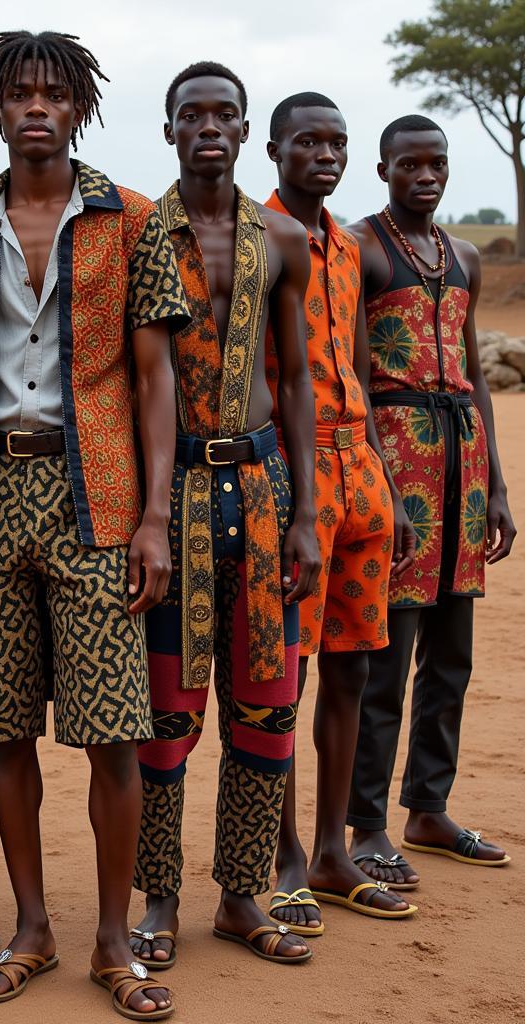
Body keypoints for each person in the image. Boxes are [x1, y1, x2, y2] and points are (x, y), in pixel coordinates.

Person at [0, 29, 188, 1021]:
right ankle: (32, 927)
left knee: (112, 735)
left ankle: (114, 941)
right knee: (4, 734)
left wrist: (154, 517)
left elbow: (154, 379)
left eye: (54, 94)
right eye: (19, 93)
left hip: (100, 503)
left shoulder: (134, 220)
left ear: (79, 108)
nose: (36, 107)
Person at [129, 62, 320, 970]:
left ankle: (242, 894)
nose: (210, 127)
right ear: (169, 131)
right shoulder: (135, 236)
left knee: (267, 702)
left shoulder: (283, 238)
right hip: (168, 499)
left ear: (246, 132)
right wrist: (143, 516)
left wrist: (308, 516)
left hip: (261, 486)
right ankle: (159, 898)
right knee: (167, 706)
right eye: (191, 115)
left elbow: (294, 383)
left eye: (225, 115)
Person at [346, 115, 515, 883]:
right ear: (383, 170)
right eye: (409, 163)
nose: (426, 174)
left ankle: (429, 808)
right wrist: (381, 482)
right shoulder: (362, 249)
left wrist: (500, 488)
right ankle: (367, 824)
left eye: (436, 162)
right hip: (397, 462)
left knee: (452, 656)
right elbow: (351, 374)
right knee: (389, 656)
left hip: (464, 468)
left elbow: (477, 376)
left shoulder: (466, 256)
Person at [262, 93, 417, 932]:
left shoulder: (351, 248)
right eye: (307, 142)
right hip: (293, 471)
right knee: (283, 672)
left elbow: (355, 357)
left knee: (353, 664)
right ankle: (281, 854)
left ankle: (332, 850)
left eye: (338, 144)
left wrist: (380, 476)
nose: (326, 155)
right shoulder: (258, 240)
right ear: (274, 150)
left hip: (360, 470)